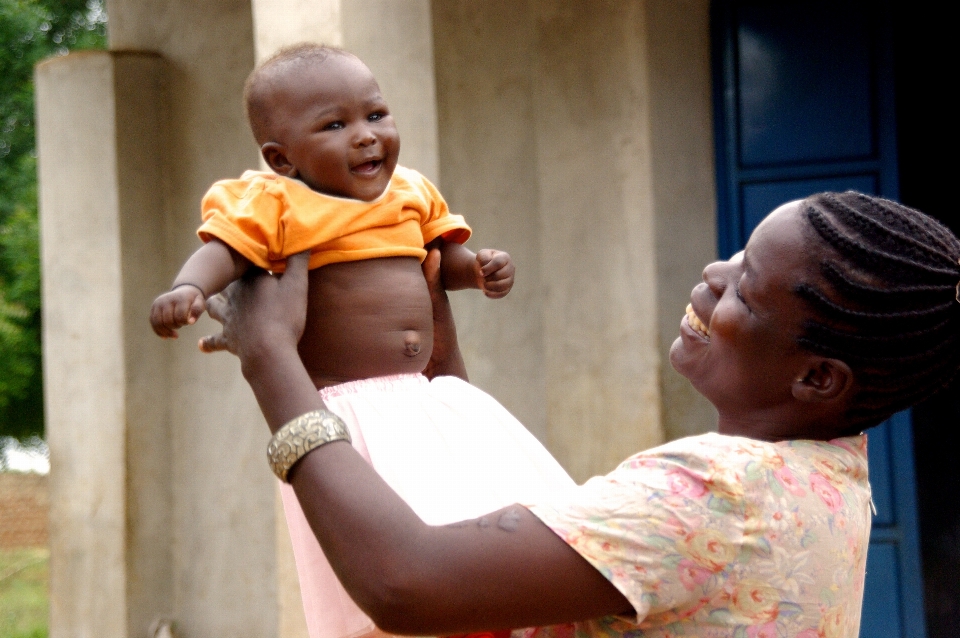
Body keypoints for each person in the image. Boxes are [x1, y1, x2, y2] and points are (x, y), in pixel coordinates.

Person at [202, 191, 960, 637]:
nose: (711, 274)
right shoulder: (829, 479)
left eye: (744, 287)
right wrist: (434, 359)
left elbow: (408, 581)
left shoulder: (713, 494)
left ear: (819, 377)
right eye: (735, 254)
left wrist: (271, 358)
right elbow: (498, 543)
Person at [150, 43, 575, 638]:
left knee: (492, 512)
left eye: (375, 115)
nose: (366, 136)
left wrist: (476, 269)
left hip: (429, 395)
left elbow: (438, 259)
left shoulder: (410, 191)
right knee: (399, 528)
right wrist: (188, 288)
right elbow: (221, 249)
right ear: (281, 157)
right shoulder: (276, 203)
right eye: (334, 125)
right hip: (346, 409)